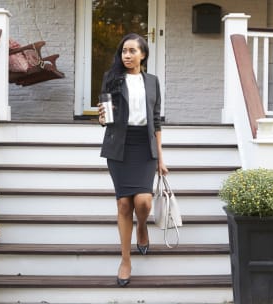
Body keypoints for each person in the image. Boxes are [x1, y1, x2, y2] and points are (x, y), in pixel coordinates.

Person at [97, 33, 168, 287]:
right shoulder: (112, 78)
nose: (126, 55)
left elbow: (157, 120)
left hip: (144, 146)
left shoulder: (152, 82)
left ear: (143, 54)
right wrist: (103, 116)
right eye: (123, 51)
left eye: (131, 51)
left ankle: (142, 226)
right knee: (124, 205)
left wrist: (160, 157)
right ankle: (125, 260)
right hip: (120, 146)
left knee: (144, 201)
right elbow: (104, 114)